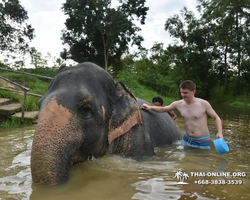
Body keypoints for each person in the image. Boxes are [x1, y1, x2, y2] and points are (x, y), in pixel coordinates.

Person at [142, 80, 223, 149]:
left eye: (186, 93)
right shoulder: (178, 104)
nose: (183, 95)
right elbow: (163, 109)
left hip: (202, 141)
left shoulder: (203, 104)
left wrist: (219, 132)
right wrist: (150, 107)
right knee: (185, 163)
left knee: (202, 164)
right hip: (186, 139)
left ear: (193, 91)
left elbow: (216, 118)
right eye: (182, 92)